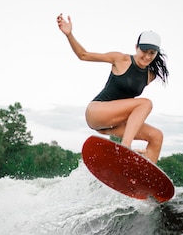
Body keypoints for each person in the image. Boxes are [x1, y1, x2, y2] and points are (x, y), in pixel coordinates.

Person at [56, 13, 169, 163]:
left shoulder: (150, 76)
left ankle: (141, 177)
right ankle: (125, 149)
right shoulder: (120, 59)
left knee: (156, 136)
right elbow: (83, 55)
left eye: (152, 53)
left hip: (113, 122)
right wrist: (69, 34)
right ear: (136, 47)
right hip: (97, 111)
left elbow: (130, 108)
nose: (147, 57)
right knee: (146, 103)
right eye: (144, 51)